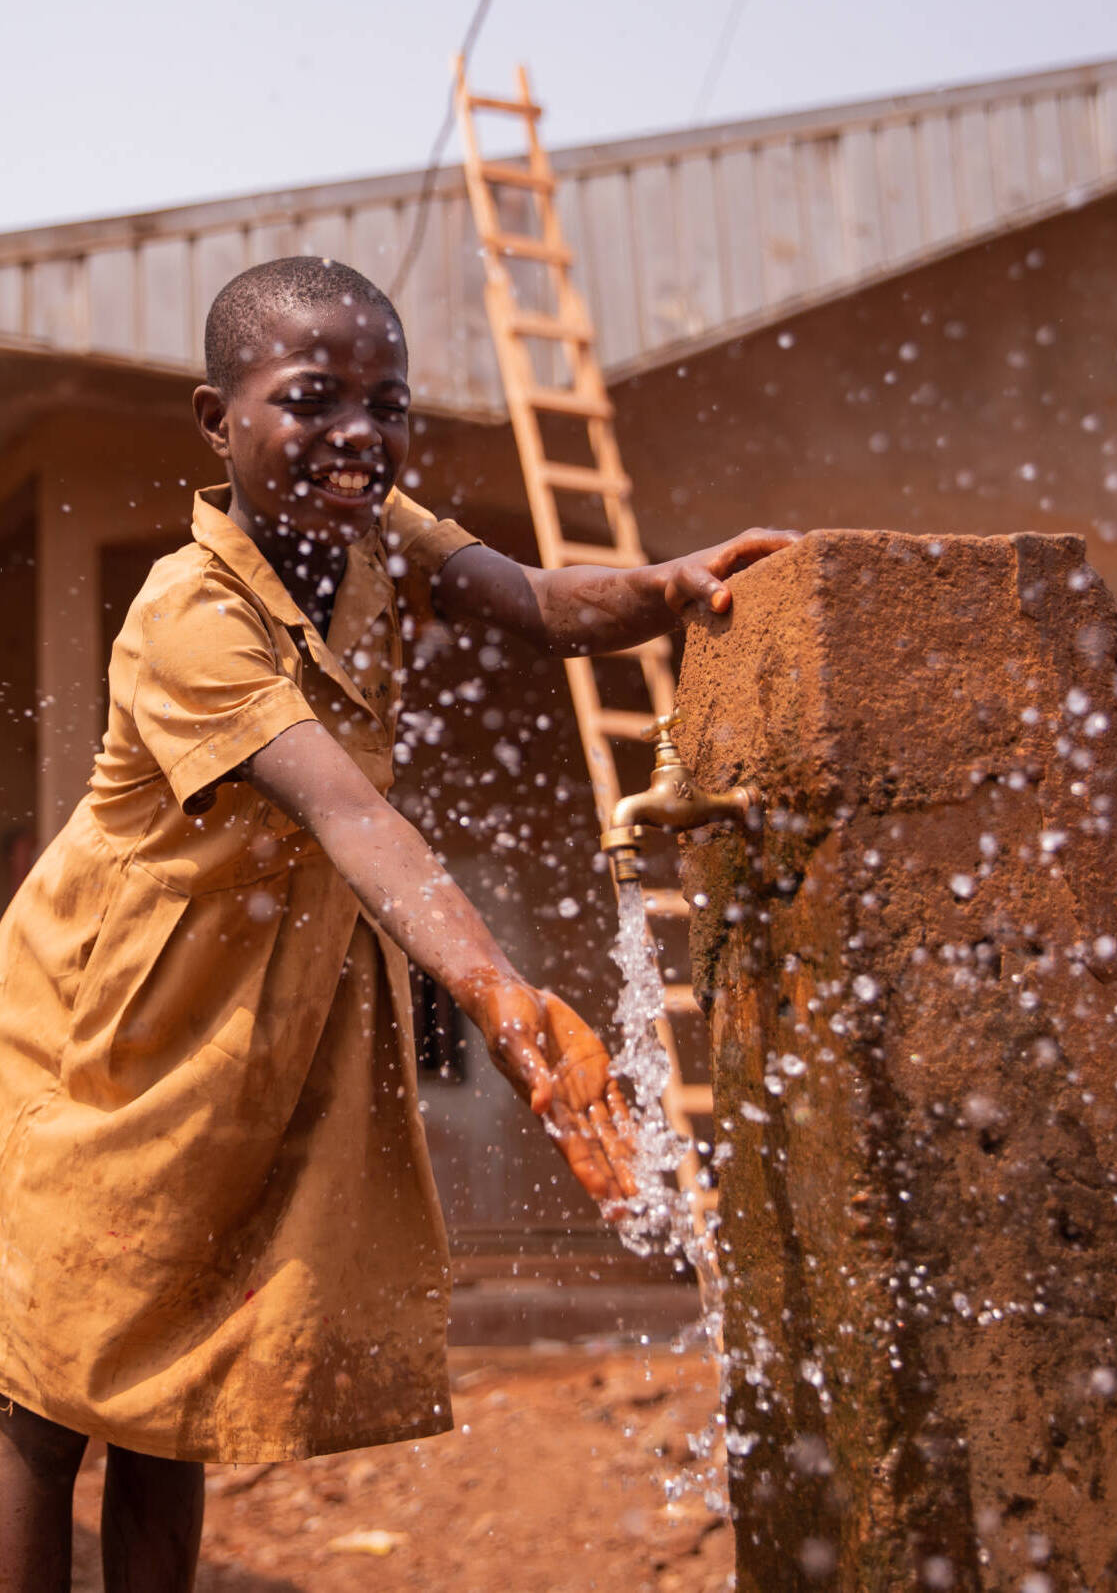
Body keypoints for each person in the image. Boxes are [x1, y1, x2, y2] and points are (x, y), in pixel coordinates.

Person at [0, 256, 797, 1592]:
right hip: (111, 1024)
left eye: (388, 404)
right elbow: (353, 817)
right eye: (312, 401)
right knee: (48, 1390)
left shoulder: (379, 538)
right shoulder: (189, 620)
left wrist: (667, 588)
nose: (358, 435)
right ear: (218, 421)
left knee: (169, 1402)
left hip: (252, 1013)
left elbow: (538, 603)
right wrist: (501, 996)